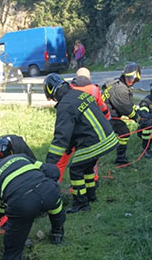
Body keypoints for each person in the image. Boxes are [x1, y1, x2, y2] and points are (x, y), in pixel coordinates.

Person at [44, 72, 117, 212]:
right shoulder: (79, 94)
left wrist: (50, 163)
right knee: (87, 167)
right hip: (108, 137)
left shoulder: (65, 105)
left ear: (54, 93)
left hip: (95, 141)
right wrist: (70, 145)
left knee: (75, 169)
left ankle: (81, 204)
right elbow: (76, 127)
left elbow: (61, 137)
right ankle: (91, 196)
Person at [53, 68, 111, 188]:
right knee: (91, 161)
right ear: (89, 78)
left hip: (72, 131)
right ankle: (94, 180)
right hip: (90, 132)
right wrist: (106, 121)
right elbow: (102, 108)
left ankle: (54, 182)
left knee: (62, 159)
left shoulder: (70, 89)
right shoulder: (94, 89)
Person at [102, 63, 141, 167]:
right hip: (107, 117)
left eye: (132, 78)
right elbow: (126, 109)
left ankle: (119, 157)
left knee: (123, 132)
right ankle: (119, 158)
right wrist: (137, 118)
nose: (130, 80)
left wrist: (137, 110)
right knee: (122, 133)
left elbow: (128, 104)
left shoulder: (119, 84)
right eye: (128, 77)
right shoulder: (120, 89)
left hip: (108, 115)